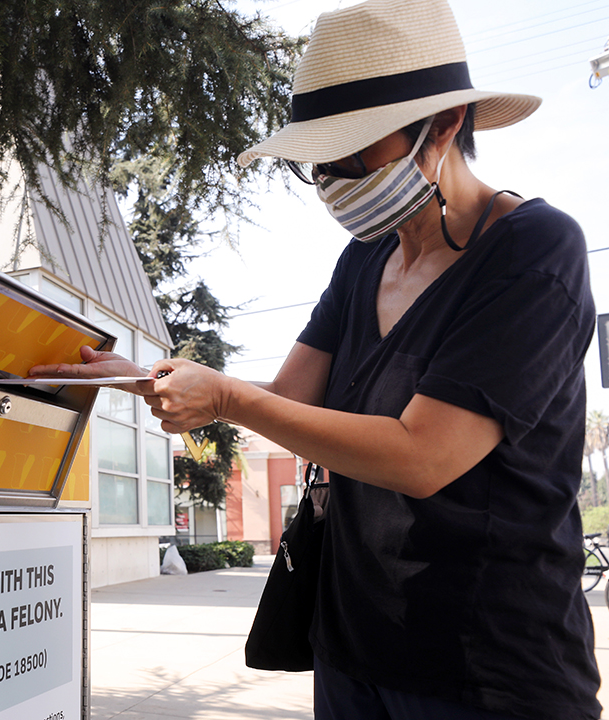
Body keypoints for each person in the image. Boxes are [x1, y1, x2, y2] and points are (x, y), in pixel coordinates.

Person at [31, 0, 601, 717]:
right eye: (319, 161)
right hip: (352, 648)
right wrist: (146, 376)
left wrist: (229, 400)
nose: (333, 176)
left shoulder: (534, 250)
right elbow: (289, 402)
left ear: (445, 125)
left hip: (489, 668)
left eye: (354, 151)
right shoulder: (364, 259)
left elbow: (423, 455)